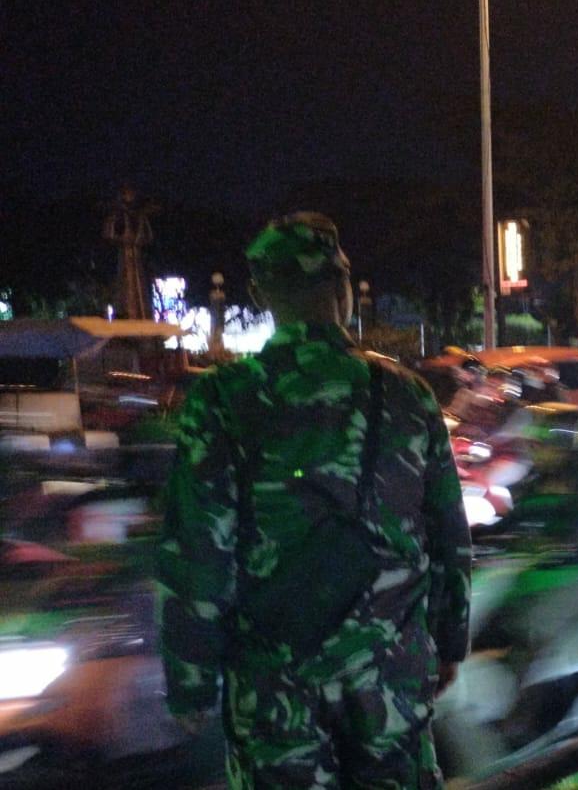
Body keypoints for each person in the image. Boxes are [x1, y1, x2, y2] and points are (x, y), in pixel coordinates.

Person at [157, 213, 472, 788]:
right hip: (389, 673)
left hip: (276, 686)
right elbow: (449, 533)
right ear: (343, 289)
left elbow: (199, 550)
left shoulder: (223, 399)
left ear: (261, 293)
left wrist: (191, 681)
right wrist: (449, 641)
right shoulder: (409, 395)